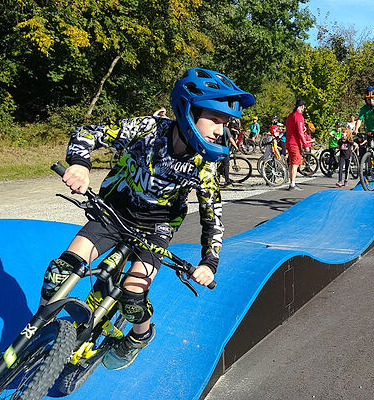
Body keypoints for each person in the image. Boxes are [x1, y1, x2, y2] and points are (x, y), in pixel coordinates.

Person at [41, 68, 254, 370]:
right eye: (215, 120)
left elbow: (213, 220)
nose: (222, 130)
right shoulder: (148, 128)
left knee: (132, 293)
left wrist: (209, 262)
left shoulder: (203, 167)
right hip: (114, 213)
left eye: (225, 123)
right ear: (189, 111)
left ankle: (140, 337)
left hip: (155, 229)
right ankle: (37, 331)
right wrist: (80, 164)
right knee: (58, 273)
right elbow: (88, 133)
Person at [285, 99, 310, 190]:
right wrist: (305, 145)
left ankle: (291, 182)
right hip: (295, 143)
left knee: (292, 163)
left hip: (288, 141)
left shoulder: (290, 116)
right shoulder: (299, 116)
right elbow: (300, 132)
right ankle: (292, 184)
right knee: (295, 163)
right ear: (302, 106)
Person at [219, 122, 240, 187]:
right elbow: (231, 139)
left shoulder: (216, 128)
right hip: (223, 149)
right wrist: (236, 147)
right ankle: (227, 180)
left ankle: (217, 178)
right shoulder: (225, 129)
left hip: (215, 148)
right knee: (226, 165)